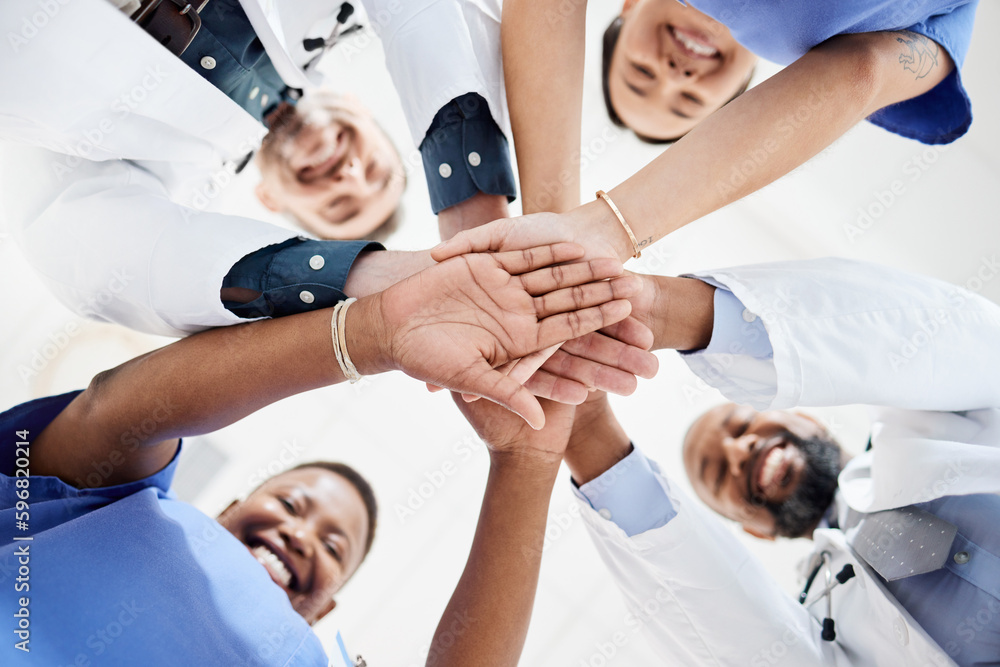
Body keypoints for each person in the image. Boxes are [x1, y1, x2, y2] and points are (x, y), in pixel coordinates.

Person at [1, 242, 638, 664]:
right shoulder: (108, 508)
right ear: (226, 509)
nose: (301, 534)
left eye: (334, 548)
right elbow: (112, 413)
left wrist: (525, 461)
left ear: (324, 609)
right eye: (290, 502)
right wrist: (375, 332)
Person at [555, 257, 1000, 665]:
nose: (738, 452)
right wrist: (586, 427)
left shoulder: (930, 416)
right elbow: (728, 627)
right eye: (717, 476)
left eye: (742, 426)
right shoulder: (817, 628)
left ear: (806, 418)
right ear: (754, 531)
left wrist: (665, 311)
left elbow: (958, 340)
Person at [441, 0, 978, 255]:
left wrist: (552, 236)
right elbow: (861, 75)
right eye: (691, 100)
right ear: (749, 91)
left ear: (628, 9)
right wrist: (599, 236)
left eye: (641, 71)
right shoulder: (870, 44)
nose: (674, 76)